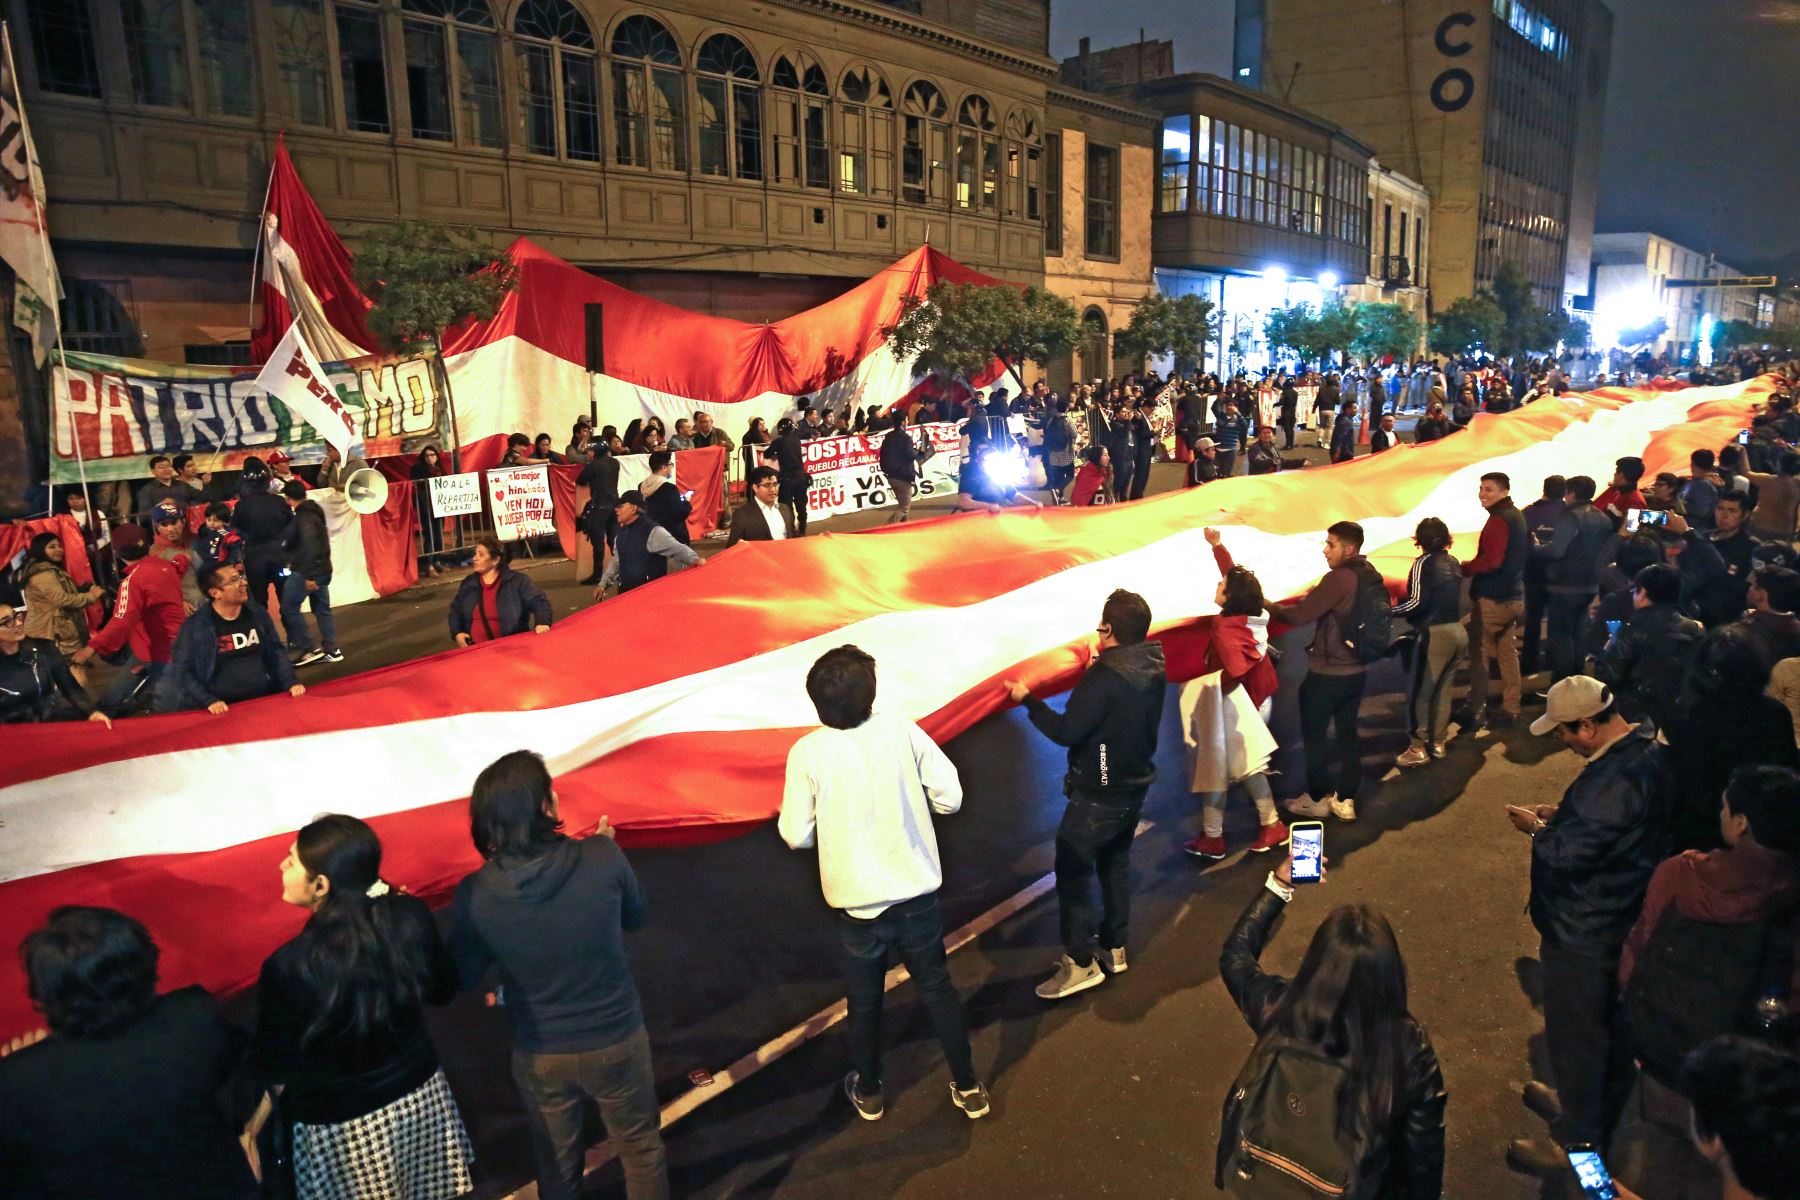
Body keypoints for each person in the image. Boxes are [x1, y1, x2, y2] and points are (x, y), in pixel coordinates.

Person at [779, 646, 990, 1122]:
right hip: (915, 896)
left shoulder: (807, 752)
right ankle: (968, 1084)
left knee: (865, 1001)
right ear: (870, 694)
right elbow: (951, 797)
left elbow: (795, 833)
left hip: (857, 906)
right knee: (937, 989)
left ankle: (870, 1089)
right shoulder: (901, 732)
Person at [448, 751, 670, 1200]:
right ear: (545, 807)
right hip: (616, 1038)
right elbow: (636, 917)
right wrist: (605, 853)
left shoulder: (475, 895)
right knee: (641, 1149)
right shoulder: (602, 856)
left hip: (540, 1052)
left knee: (556, 1161)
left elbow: (464, 974)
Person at [249, 815, 473, 1200]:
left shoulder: (290, 965)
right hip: (419, 1097)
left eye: (291, 859)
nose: (282, 866)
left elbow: (275, 1064)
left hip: (343, 1130)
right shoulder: (408, 915)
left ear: (321, 884)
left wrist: (250, 1129)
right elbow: (443, 990)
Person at [1507, 676, 1671, 1175]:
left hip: (1587, 923)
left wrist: (1537, 828)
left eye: (1562, 732)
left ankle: (1577, 1144)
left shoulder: (1614, 779)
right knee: (1602, 1029)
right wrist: (1564, 815)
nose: (1561, 742)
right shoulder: (1645, 751)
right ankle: (1583, 1106)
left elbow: (1571, 853)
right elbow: (1610, 829)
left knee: (1579, 1034)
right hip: (1617, 913)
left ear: (1586, 725)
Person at [1611, 767, 1800, 1195]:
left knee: (1658, 1158)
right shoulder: (1791, 894)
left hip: (1666, 1057)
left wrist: (1634, 1014)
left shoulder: (1683, 874)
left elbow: (1637, 950)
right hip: (1747, 1082)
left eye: (1725, 806)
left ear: (1741, 823)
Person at [1216, 853, 1446, 1199]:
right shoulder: (1406, 1047)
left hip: (1263, 1178)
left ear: (1316, 962)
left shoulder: (1280, 1008)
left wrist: (1279, 886)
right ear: (1390, 975)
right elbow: (1421, 1157)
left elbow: (1236, 955)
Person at [0, 907, 257, 1197]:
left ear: (44, 993)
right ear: (148, 963)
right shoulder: (194, 1016)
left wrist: (30, 1062)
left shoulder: (18, 1082)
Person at [1005, 589, 1166, 1000]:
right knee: (1115, 865)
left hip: (1099, 793)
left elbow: (1068, 731)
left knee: (1075, 874)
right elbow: (1114, 710)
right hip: (1133, 787)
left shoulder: (1106, 678)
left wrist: (1028, 700)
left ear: (1108, 628)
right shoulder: (1150, 665)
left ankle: (1080, 963)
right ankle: (1115, 947)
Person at [1181, 529, 1285, 861]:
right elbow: (1234, 577)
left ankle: (1230, 833)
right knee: (1238, 767)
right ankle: (1249, 829)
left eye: (1221, 586)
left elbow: (1235, 669)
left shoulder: (1226, 627)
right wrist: (1218, 547)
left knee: (1226, 768)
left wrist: (1207, 691)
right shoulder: (1253, 616)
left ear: (1229, 597)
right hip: (1259, 697)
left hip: (1238, 705)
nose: (1217, 585)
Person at [1272, 521, 1377, 823]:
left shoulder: (1339, 579)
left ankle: (1317, 798)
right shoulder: (1369, 575)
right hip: (1356, 671)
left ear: (1349, 549)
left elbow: (1300, 615)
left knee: (1315, 736)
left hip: (1326, 674)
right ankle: (1346, 799)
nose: (1325, 550)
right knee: (1347, 734)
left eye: (1331, 544)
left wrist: (1268, 606)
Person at [1659, 628, 1799, 854]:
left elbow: (1677, 783)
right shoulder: (1775, 713)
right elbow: (1786, 772)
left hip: (1699, 836)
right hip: (1766, 832)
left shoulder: (1685, 716)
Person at [163, 562, 305, 714]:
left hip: (264, 702)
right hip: (223, 710)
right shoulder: (195, 626)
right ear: (215, 593)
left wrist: (290, 682)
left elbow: (276, 651)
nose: (243, 582)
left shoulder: (257, 614)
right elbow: (182, 671)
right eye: (234, 580)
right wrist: (208, 701)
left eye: (241, 577)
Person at [74, 531, 183, 718]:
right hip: (178, 644)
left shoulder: (133, 580)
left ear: (117, 553)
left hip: (154, 650)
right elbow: (181, 564)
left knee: (163, 714)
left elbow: (121, 620)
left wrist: (91, 649)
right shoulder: (166, 566)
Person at [1594, 563, 1705, 731]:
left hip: (1639, 716)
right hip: (1684, 713)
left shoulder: (1629, 630)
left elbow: (1609, 675)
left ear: (1643, 593)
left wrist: (1606, 651)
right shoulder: (1695, 628)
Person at [1393, 517, 1465, 766]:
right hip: (1457, 631)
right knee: (1443, 692)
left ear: (1419, 540)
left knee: (1419, 694)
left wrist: (1390, 611)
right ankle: (1438, 742)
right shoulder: (1454, 562)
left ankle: (1416, 748)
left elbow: (1416, 601)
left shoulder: (1423, 563)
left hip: (1434, 634)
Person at [1535, 476, 1614, 682]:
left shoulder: (1571, 517)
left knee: (1561, 634)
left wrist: (1536, 547)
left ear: (1571, 493)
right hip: (1590, 584)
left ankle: (1563, 682)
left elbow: (1556, 551)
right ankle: (1578, 679)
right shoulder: (1602, 517)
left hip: (1565, 585)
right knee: (1579, 631)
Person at [0, 601, 105, 724]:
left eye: (16, 615)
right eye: (6, 622)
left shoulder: (44, 648)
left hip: (49, 723)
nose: (18, 623)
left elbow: (70, 687)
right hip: (10, 732)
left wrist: (91, 711)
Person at [17, 532, 102, 678]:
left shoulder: (48, 569)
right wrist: (91, 596)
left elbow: (55, 595)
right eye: (52, 547)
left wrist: (81, 589)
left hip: (55, 630)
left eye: (59, 545)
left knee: (65, 675)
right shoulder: (43, 573)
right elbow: (61, 600)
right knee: (74, 673)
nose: (58, 549)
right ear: (40, 549)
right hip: (54, 633)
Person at [279, 479, 341, 668]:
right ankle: (332, 649)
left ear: (288, 499)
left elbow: (310, 546)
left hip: (307, 571)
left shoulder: (303, 517)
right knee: (322, 609)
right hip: (322, 569)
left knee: (289, 608)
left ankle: (309, 649)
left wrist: (309, 577)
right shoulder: (314, 511)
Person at [450, 535, 552, 646]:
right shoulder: (468, 583)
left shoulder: (518, 581)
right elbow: (456, 611)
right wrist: (457, 632)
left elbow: (539, 601)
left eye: (481, 555)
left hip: (511, 649)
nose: (475, 558)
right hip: (475, 652)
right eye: (475, 554)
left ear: (495, 560)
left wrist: (542, 622)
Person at [596, 490, 703, 596]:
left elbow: (679, 549)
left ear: (634, 508)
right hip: (626, 594)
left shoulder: (653, 531)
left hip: (649, 597)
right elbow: (617, 560)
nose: (616, 510)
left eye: (621, 506)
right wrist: (603, 584)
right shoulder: (621, 532)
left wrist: (696, 560)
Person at [231, 459, 293, 613]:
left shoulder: (241, 506)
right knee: (287, 601)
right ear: (268, 480)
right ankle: (294, 636)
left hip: (255, 561)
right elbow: (291, 527)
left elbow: (235, 531)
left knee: (259, 603)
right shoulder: (279, 501)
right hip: (281, 559)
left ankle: (265, 635)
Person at [1520, 475, 1567, 676]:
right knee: (1558, 620)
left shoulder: (1529, 513)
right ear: (1565, 492)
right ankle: (1554, 661)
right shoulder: (1570, 513)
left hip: (1534, 573)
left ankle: (1529, 663)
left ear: (1544, 490)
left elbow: (1521, 543)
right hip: (1561, 575)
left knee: (1533, 618)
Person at [576, 436, 621, 584]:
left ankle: (597, 575)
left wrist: (588, 464)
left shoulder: (593, 466)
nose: (588, 453)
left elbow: (581, 480)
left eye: (590, 450)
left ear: (596, 450)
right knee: (614, 540)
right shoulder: (615, 463)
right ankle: (621, 570)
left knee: (598, 542)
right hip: (615, 504)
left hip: (599, 505)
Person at [728, 466, 796, 543]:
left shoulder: (785, 509)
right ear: (755, 488)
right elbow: (732, 547)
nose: (773, 489)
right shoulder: (742, 514)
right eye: (767, 485)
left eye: (775, 484)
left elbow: (793, 537)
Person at [639, 451, 693, 547]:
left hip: (652, 534)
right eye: (670, 464)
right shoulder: (669, 488)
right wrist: (687, 502)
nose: (672, 467)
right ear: (663, 468)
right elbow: (680, 514)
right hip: (672, 537)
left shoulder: (641, 486)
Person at [409, 445, 448, 575]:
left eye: (432, 455)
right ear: (423, 457)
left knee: (439, 535)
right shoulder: (417, 468)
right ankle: (429, 565)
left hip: (440, 507)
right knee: (429, 536)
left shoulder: (440, 469)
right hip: (426, 507)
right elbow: (414, 483)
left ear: (437, 456)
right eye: (427, 455)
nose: (430, 458)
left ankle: (437, 561)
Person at [768, 417, 810, 537]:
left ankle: (791, 529)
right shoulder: (796, 439)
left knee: (786, 506)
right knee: (801, 505)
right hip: (801, 477)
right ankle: (802, 530)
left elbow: (767, 453)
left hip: (787, 478)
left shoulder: (779, 442)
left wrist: (777, 453)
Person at [1596, 456, 1649, 526]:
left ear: (1621, 476)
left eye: (1616, 472)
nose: (1614, 474)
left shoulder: (1635, 503)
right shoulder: (1619, 491)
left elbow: (1627, 533)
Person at [1214, 398, 1251, 477]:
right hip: (1218, 449)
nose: (1229, 407)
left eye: (1231, 405)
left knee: (1226, 474)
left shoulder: (1238, 418)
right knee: (1216, 474)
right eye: (1227, 405)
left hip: (1230, 450)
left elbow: (1244, 425)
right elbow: (1213, 408)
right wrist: (1219, 398)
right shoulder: (1221, 416)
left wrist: (1237, 412)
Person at [1329, 399, 1358, 463]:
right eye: (1354, 408)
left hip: (1342, 452)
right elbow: (1339, 438)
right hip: (1344, 453)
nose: (1356, 410)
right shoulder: (1345, 422)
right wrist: (1337, 453)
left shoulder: (1342, 419)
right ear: (1348, 409)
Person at [1277, 376, 1299, 448]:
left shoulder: (1284, 392)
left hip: (1286, 412)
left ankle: (1288, 444)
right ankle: (1291, 444)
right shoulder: (1295, 393)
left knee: (1287, 429)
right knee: (1291, 429)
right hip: (1292, 412)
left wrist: (1275, 404)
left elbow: (1282, 402)